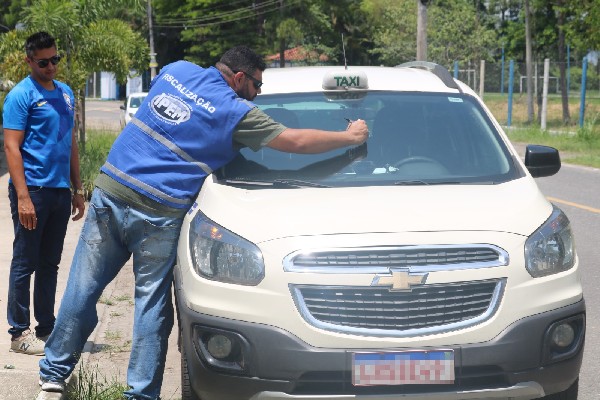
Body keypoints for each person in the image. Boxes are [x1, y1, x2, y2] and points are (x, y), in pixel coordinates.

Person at [38, 45, 368, 398]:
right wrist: (350, 137)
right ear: (238, 78)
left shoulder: (177, 70)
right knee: (150, 304)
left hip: (111, 190)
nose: (258, 93)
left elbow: (173, 113)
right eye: (256, 84)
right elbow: (295, 141)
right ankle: (140, 394)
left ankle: (53, 375)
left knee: (83, 287)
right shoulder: (237, 112)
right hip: (159, 211)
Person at [2, 31, 85, 356]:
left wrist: (77, 188)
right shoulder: (21, 95)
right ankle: (19, 333)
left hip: (59, 191)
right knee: (25, 261)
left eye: (54, 60)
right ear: (29, 61)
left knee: (50, 263)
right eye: (43, 62)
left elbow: (70, 141)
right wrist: (23, 197)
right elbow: (11, 147)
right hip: (33, 190)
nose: (50, 67)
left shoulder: (65, 93)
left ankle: (46, 328)